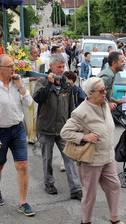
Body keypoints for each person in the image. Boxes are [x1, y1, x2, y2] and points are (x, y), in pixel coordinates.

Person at [60, 77, 123, 224]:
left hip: (107, 156)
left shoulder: (104, 105)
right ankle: (85, 221)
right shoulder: (81, 112)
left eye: (105, 89)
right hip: (91, 160)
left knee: (115, 185)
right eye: (101, 91)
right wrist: (84, 136)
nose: (104, 93)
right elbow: (65, 132)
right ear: (90, 93)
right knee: (90, 193)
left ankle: (115, 218)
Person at [0, 54, 35, 216]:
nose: (13, 69)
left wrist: (20, 86)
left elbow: (29, 103)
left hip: (17, 129)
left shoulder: (17, 83)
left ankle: (23, 203)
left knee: (22, 166)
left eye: (14, 66)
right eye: (9, 66)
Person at [33, 54, 82, 200]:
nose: (61, 70)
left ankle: (76, 189)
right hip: (45, 127)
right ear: (51, 67)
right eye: (59, 67)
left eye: (63, 67)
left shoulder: (67, 84)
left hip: (63, 128)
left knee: (69, 158)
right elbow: (37, 98)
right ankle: (49, 183)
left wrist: (72, 126)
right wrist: (49, 84)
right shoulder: (42, 81)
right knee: (47, 158)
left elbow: (71, 107)